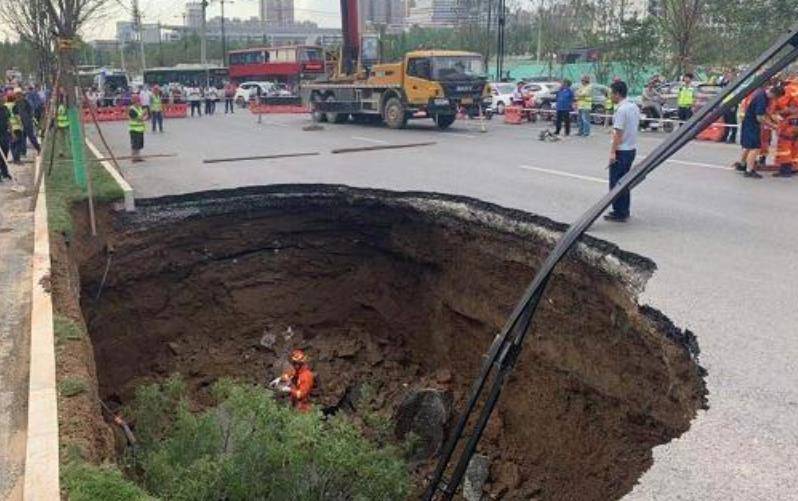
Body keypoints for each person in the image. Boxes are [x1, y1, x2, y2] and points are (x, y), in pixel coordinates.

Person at [605, 80, 640, 223]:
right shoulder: (633, 106)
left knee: (616, 183)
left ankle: (619, 212)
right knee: (625, 182)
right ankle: (624, 210)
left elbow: (618, 133)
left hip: (621, 150)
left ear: (617, 94)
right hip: (631, 148)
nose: (610, 97)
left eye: (611, 94)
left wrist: (612, 152)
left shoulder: (621, 110)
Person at [737, 85, 785, 179]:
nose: (775, 100)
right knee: (755, 148)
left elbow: (763, 111)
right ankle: (749, 171)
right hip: (752, 124)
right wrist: (773, 126)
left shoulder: (762, 94)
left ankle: (742, 164)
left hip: (748, 122)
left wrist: (771, 117)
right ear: (775, 94)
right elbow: (760, 117)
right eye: (776, 98)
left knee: (748, 146)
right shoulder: (762, 99)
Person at [772, 78, 798, 177]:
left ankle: (785, 169)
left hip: (790, 121)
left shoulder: (789, 89)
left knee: (784, 143)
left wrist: (777, 112)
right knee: (795, 144)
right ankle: (795, 167)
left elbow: (781, 105)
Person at [16, 88, 40, 156]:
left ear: (21, 94)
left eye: (19, 94)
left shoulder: (25, 101)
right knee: (23, 137)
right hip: (21, 123)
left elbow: (31, 111)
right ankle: (23, 152)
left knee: (31, 137)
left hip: (28, 123)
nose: (18, 96)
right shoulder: (16, 102)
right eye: (17, 95)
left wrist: (29, 118)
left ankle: (38, 148)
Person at [128, 94, 147, 163]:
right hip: (134, 129)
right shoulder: (132, 109)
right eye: (139, 101)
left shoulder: (139, 108)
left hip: (140, 129)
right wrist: (143, 115)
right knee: (134, 144)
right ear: (135, 102)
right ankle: (134, 157)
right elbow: (138, 119)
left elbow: (142, 118)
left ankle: (138, 156)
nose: (140, 103)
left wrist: (144, 117)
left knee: (139, 144)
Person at [5, 92, 23, 163]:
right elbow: (17, 116)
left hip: (8, 127)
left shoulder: (4, 106)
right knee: (18, 142)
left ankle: (14, 158)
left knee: (12, 143)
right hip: (16, 126)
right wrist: (21, 125)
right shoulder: (14, 106)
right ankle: (16, 159)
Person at [0, 100, 12, 181]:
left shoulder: (5, 108)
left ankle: (4, 172)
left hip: (4, 134)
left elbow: (8, 120)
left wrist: (11, 131)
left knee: (5, 152)